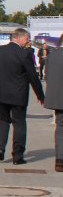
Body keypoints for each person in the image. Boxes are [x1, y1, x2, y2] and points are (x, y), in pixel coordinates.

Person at [0, 27, 45, 165]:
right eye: (27, 39)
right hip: (19, 96)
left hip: (1, 95)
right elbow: (33, 76)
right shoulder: (24, 54)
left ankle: (1, 149)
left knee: (3, 120)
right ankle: (17, 156)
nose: (28, 42)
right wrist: (40, 96)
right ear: (19, 38)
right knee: (19, 124)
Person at [43, 34, 63, 172]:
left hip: (58, 99)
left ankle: (59, 160)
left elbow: (47, 76)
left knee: (60, 127)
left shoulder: (52, 55)